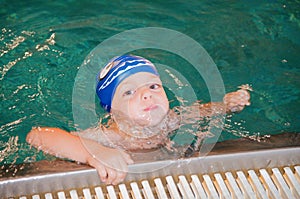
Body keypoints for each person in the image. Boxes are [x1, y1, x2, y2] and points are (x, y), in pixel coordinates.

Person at [26, 55, 251, 185]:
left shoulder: (171, 121)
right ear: (111, 111)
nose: (146, 94)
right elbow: (37, 136)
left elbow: (201, 111)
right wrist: (92, 152)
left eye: (153, 86)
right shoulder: (109, 136)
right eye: (128, 92)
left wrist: (227, 106)